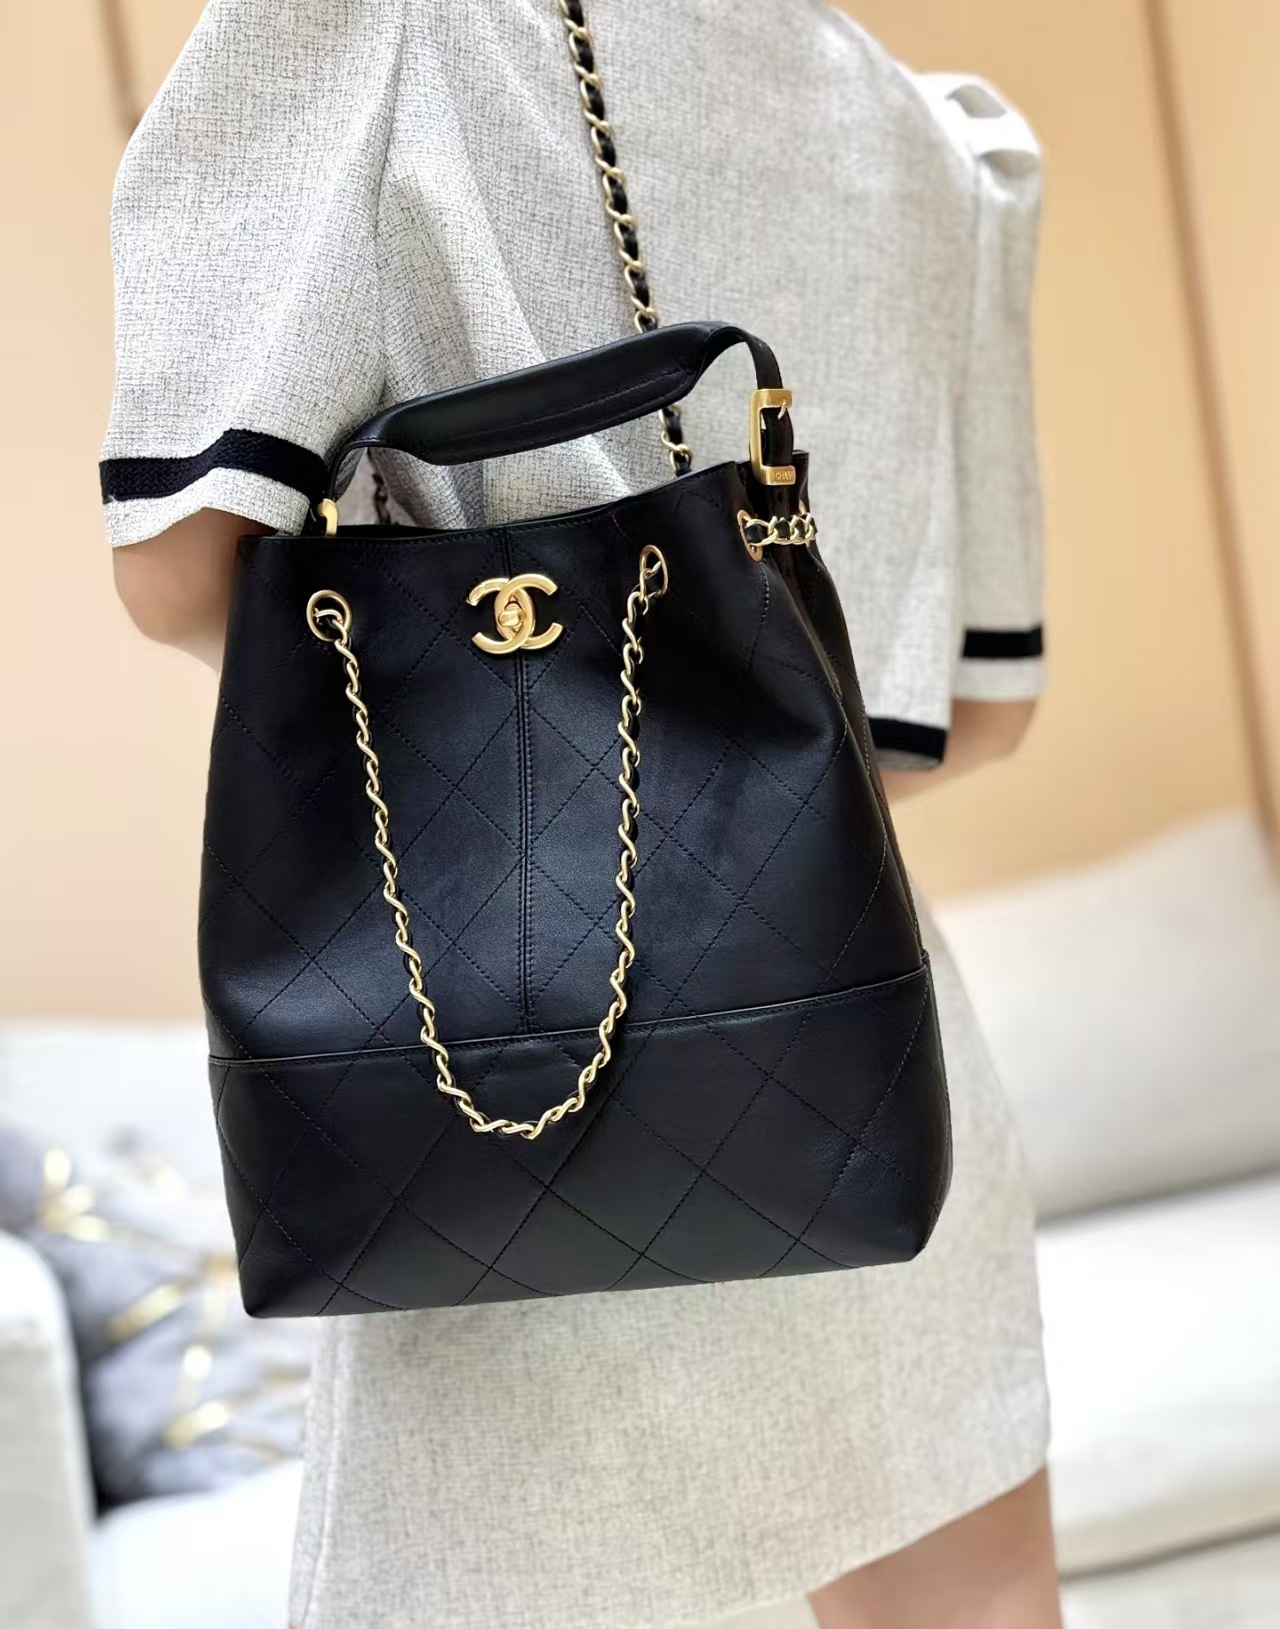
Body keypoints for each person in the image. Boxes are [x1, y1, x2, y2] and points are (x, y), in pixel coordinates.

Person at [101, 3, 1058, 1626]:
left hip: (502, 1082)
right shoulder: (925, 134)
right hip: (853, 1064)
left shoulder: (375, 20)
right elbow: (975, 715)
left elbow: (181, 563)